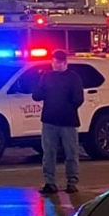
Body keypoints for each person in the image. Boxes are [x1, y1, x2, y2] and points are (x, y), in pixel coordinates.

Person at [33, 49, 84, 194]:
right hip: (49, 120)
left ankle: (71, 182)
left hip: (68, 121)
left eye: (59, 63)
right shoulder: (46, 76)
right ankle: (50, 183)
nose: (56, 65)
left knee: (71, 153)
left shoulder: (73, 78)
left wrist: (67, 106)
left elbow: (78, 98)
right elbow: (36, 95)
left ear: (65, 63)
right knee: (48, 153)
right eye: (54, 62)